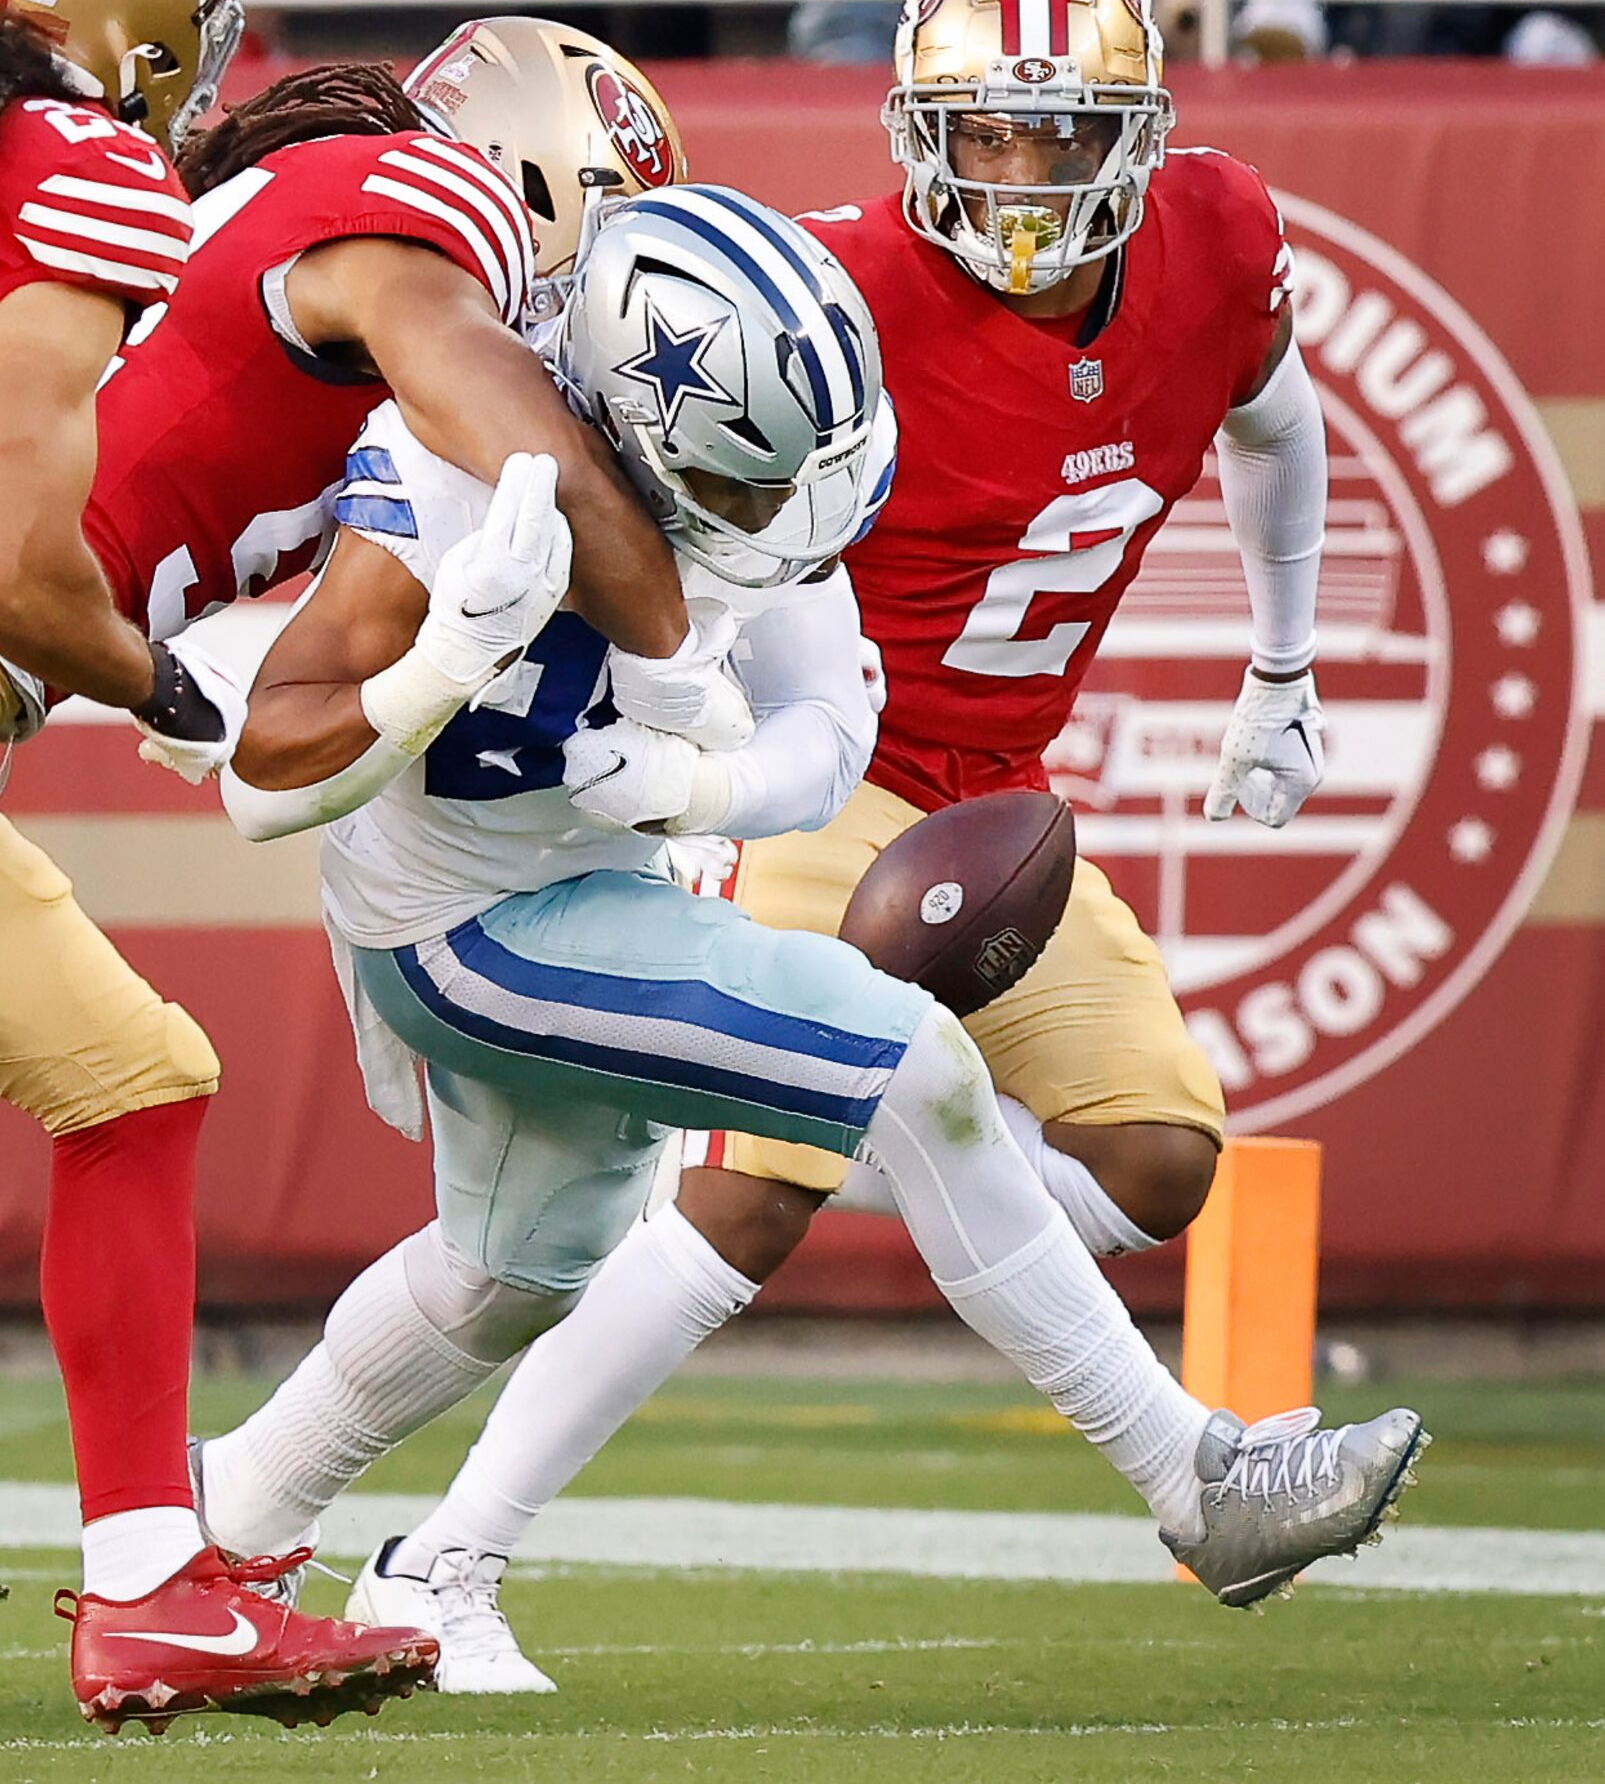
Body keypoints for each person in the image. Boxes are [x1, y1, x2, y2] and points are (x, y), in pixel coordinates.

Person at [189, 184, 1423, 1695]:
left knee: (508, 1267)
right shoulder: (458, 483)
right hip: (467, 920)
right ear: (640, 416)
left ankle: (227, 1518)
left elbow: (830, 729)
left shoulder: (737, 463)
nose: (783, 514)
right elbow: (262, 781)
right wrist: (447, 657)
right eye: (752, 479)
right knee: (911, 1065)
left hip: (599, 889)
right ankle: (1198, 1479)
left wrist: (687, 779)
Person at [0, 0, 439, 1730]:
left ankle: (152, 1588)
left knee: (135, 1072)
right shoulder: (68, 169)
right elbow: (9, 570)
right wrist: (160, 685)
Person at [0, 21, 723, 1141]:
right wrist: (684, 672)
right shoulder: (421, 226)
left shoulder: (313, 208)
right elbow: (547, 470)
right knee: (131, 1086)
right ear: (528, 172)